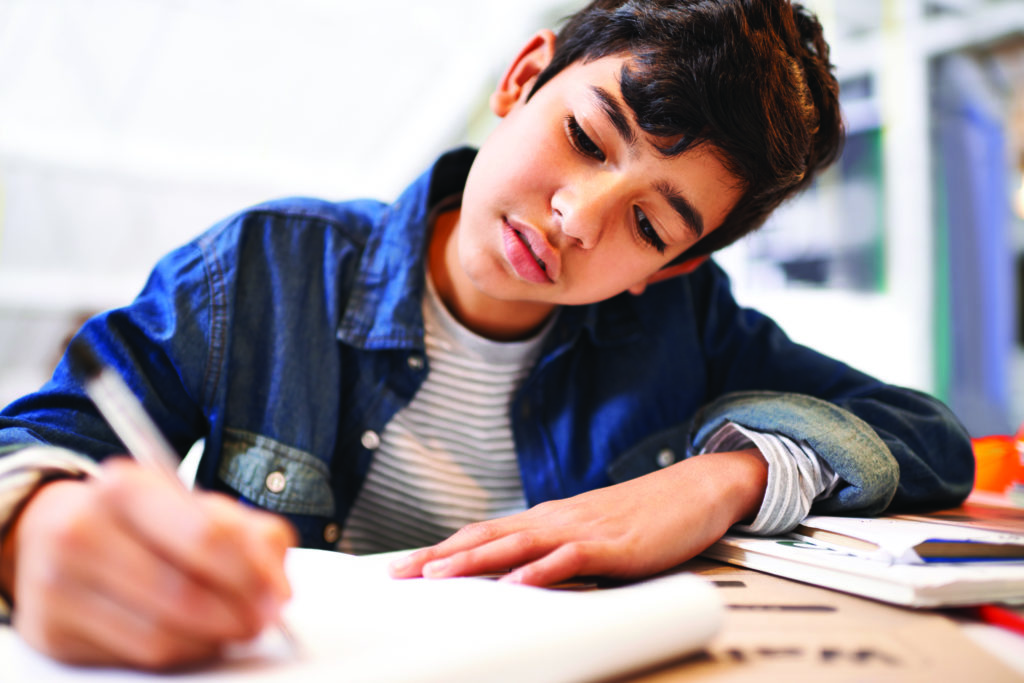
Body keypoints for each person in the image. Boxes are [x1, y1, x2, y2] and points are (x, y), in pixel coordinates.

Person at [0, 0, 973, 671]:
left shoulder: (685, 320)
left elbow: (925, 433)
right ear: (521, 76)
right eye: (589, 138)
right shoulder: (264, 266)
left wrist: (718, 476)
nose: (577, 217)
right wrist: (30, 525)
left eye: (650, 224)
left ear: (673, 265)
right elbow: (34, 442)